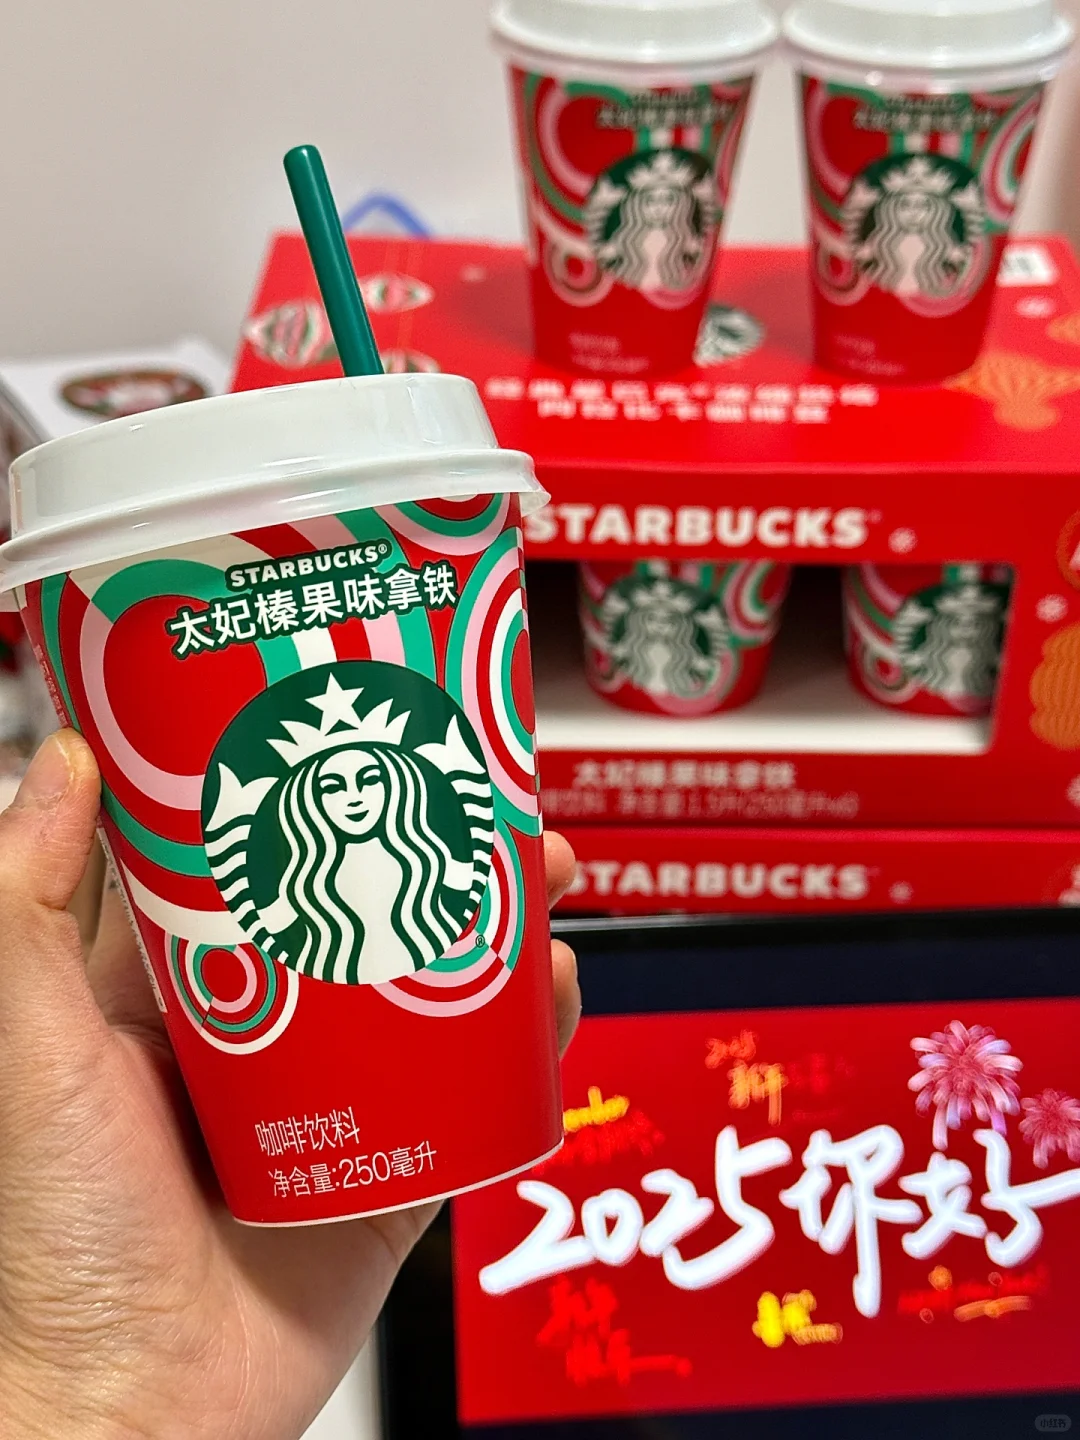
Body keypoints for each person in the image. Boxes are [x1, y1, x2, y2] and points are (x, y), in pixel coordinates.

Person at [0, 730, 581, 1439]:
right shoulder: (301, 892)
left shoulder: (427, 876)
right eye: (332, 786)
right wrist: (92, 1394)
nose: (354, 798)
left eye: (370, 780)